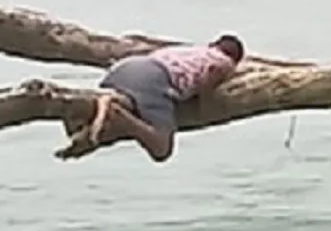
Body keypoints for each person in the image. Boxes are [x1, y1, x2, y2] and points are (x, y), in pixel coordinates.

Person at [82, 34, 245, 162]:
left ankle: (92, 127)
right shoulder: (225, 62)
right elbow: (213, 71)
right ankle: (118, 116)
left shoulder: (190, 50)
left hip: (126, 67)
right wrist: (204, 103)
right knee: (162, 148)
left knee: (91, 111)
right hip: (154, 79)